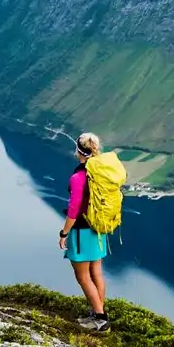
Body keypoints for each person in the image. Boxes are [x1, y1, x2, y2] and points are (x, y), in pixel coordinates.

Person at [60, 133, 111, 331]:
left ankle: (100, 318)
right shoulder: (100, 173)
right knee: (96, 271)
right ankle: (98, 311)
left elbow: (74, 209)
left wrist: (64, 233)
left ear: (78, 151)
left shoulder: (78, 177)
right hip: (98, 228)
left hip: (81, 231)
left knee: (82, 276)